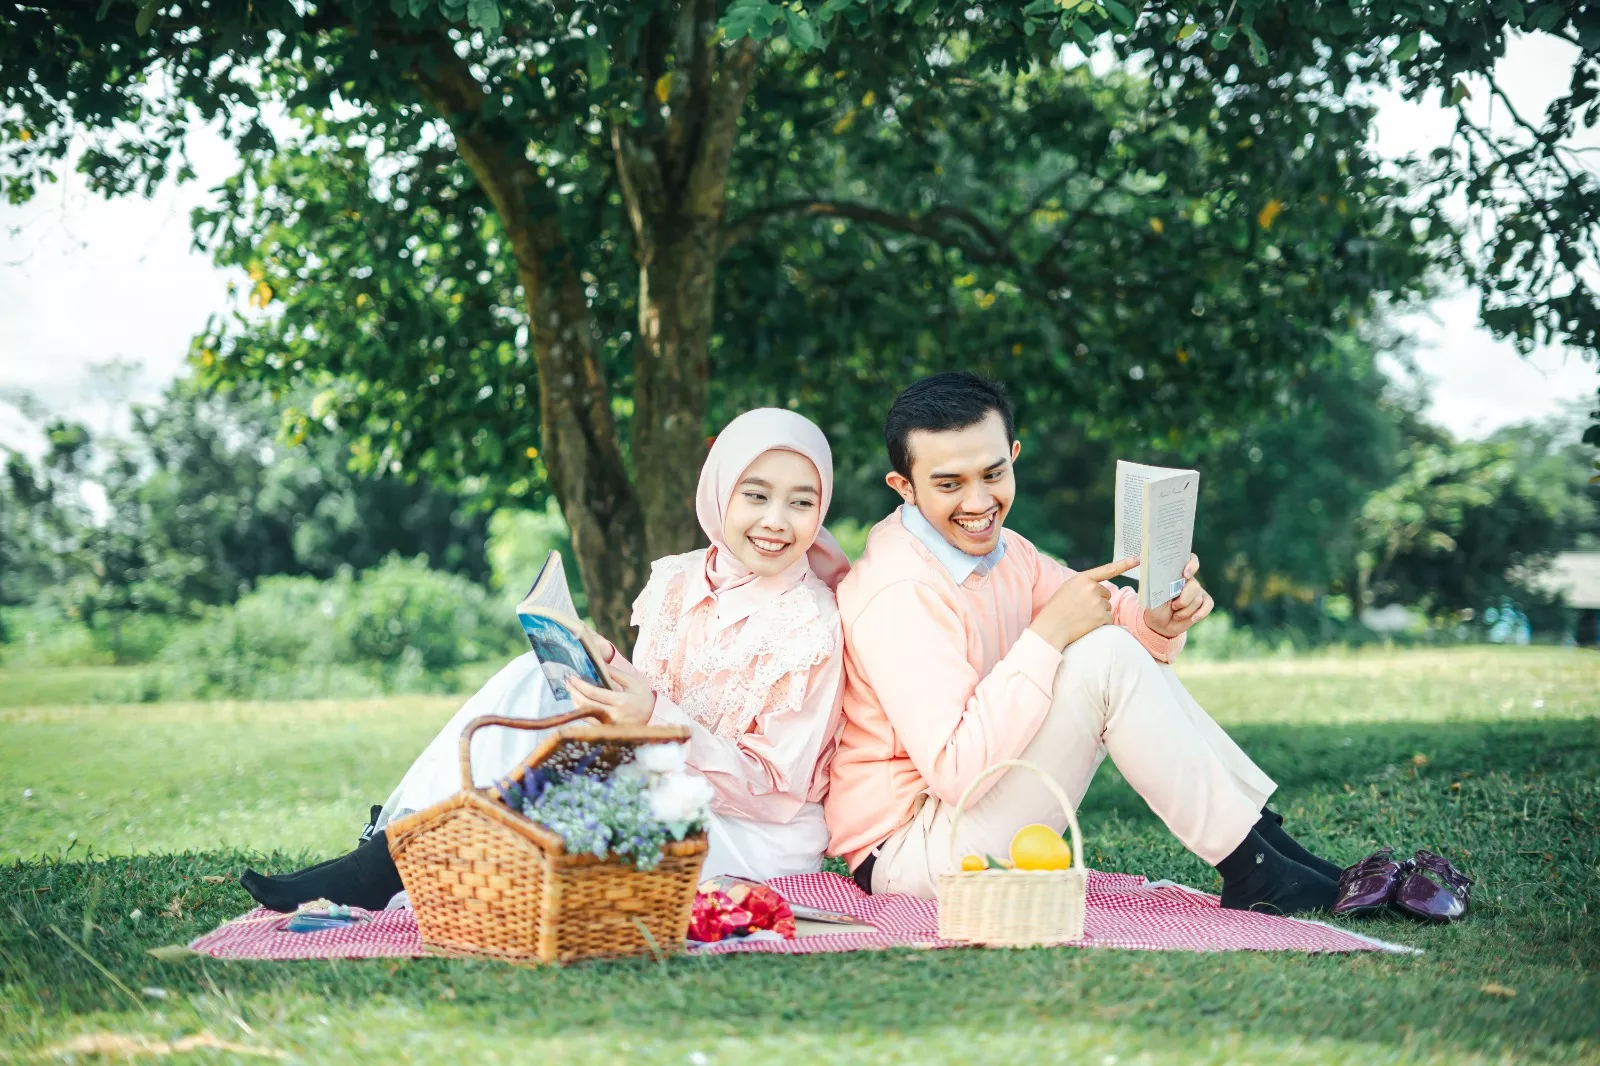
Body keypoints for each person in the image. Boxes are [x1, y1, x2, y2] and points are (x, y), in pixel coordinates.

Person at [240, 408, 849, 910]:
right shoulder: (680, 579)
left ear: (819, 510)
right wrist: (606, 667)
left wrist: (654, 718)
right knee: (535, 678)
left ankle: (390, 859)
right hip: (659, 776)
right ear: (719, 493)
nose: (776, 521)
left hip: (747, 836)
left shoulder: (811, 624)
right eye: (756, 495)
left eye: (800, 503)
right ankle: (395, 845)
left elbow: (774, 794)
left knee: (565, 788)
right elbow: (652, 696)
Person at [824, 372, 1344, 914]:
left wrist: (1159, 619)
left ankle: (1269, 853)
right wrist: (1049, 634)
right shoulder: (898, 590)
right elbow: (957, 772)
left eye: (993, 474)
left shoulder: (1007, 552)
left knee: (1111, 648)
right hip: (912, 850)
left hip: (967, 817)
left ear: (1014, 456)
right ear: (904, 487)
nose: (978, 502)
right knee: (1103, 655)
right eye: (949, 485)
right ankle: (1257, 870)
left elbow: (1109, 620)